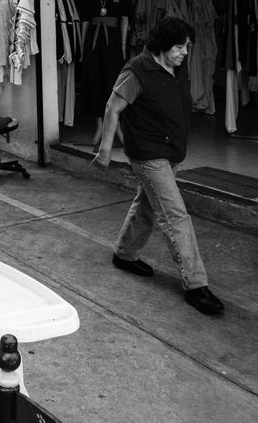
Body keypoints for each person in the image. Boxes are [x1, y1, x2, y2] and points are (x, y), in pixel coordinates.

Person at [92, 16, 224, 316]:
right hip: (149, 155)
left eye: (187, 46)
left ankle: (125, 254)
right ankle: (196, 284)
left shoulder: (174, 69)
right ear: (164, 45)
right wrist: (104, 151)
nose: (184, 52)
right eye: (180, 46)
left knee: (148, 205)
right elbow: (112, 108)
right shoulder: (137, 70)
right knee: (175, 215)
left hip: (170, 153)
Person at [80, 0, 131, 147]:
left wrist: (124, 45)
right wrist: (83, 47)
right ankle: (99, 127)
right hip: (94, 40)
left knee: (113, 80)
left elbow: (125, 18)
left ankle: (116, 126)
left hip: (113, 40)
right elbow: (85, 20)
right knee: (93, 80)